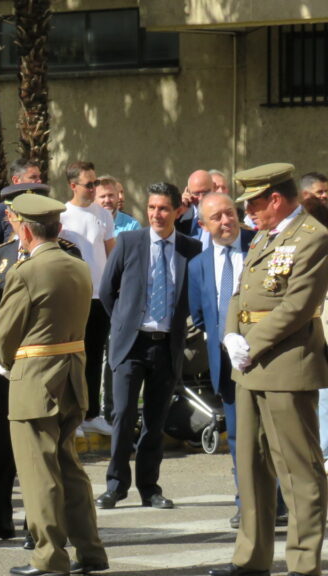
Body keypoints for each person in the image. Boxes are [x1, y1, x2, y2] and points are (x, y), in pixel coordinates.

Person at [209, 163, 328, 576]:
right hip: (250, 364)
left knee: (298, 470)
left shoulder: (313, 237)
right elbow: (238, 293)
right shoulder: (264, 236)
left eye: (254, 204)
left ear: (275, 199)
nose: (248, 213)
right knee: (252, 465)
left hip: (287, 364)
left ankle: (303, 563)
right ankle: (251, 558)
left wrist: (251, 344)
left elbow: (298, 305)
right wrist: (230, 335)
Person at [0, 193, 108, 576]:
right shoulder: (78, 266)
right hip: (71, 375)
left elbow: (3, 334)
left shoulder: (26, 271)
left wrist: (7, 361)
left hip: (35, 379)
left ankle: (49, 557)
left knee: (39, 472)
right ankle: (90, 550)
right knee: (69, 468)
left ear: (25, 231)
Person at [0, 183, 82, 549]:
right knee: (3, 444)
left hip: (41, 364)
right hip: (5, 365)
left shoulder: (66, 252)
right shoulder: (2, 253)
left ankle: (39, 526)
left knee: (43, 454)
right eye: (12, 213)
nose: (13, 219)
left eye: (17, 215)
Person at [97, 182, 202, 510]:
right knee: (123, 415)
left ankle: (149, 488)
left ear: (178, 211)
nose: (156, 214)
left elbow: (195, 295)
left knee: (155, 421)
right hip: (131, 344)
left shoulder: (191, 249)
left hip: (166, 346)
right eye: (152, 208)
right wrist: (124, 324)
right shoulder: (130, 242)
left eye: (164, 208)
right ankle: (115, 486)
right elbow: (107, 291)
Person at [186, 192, 262, 529]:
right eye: (216, 217)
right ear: (203, 225)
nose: (226, 221)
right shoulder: (198, 266)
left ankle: (277, 502)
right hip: (228, 364)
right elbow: (201, 315)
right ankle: (246, 503)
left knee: (272, 436)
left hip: (267, 358)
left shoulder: (259, 245)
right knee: (239, 438)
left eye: (229, 213)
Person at [59, 161, 115, 437]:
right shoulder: (62, 215)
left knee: (94, 356)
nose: (94, 189)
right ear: (73, 186)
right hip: (73, 297)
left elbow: (111, 253)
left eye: (96, 183)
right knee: (73, 357)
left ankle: (91, 413)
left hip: (98, 297)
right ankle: (73, 415)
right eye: (89, 184)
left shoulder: (103, 215)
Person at [0, 158, 44, 250]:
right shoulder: (1, 211)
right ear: (16, 180)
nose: (39, 181)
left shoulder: (44, 208)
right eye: (33, 177)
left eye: (39, 177)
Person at [177, 169, 215, 246]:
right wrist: (178, 211)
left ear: (214, 187)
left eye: (206, 192)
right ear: (188, 191)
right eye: (196, 194)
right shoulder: (181, 217)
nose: (201, 198)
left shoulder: (226, 214)